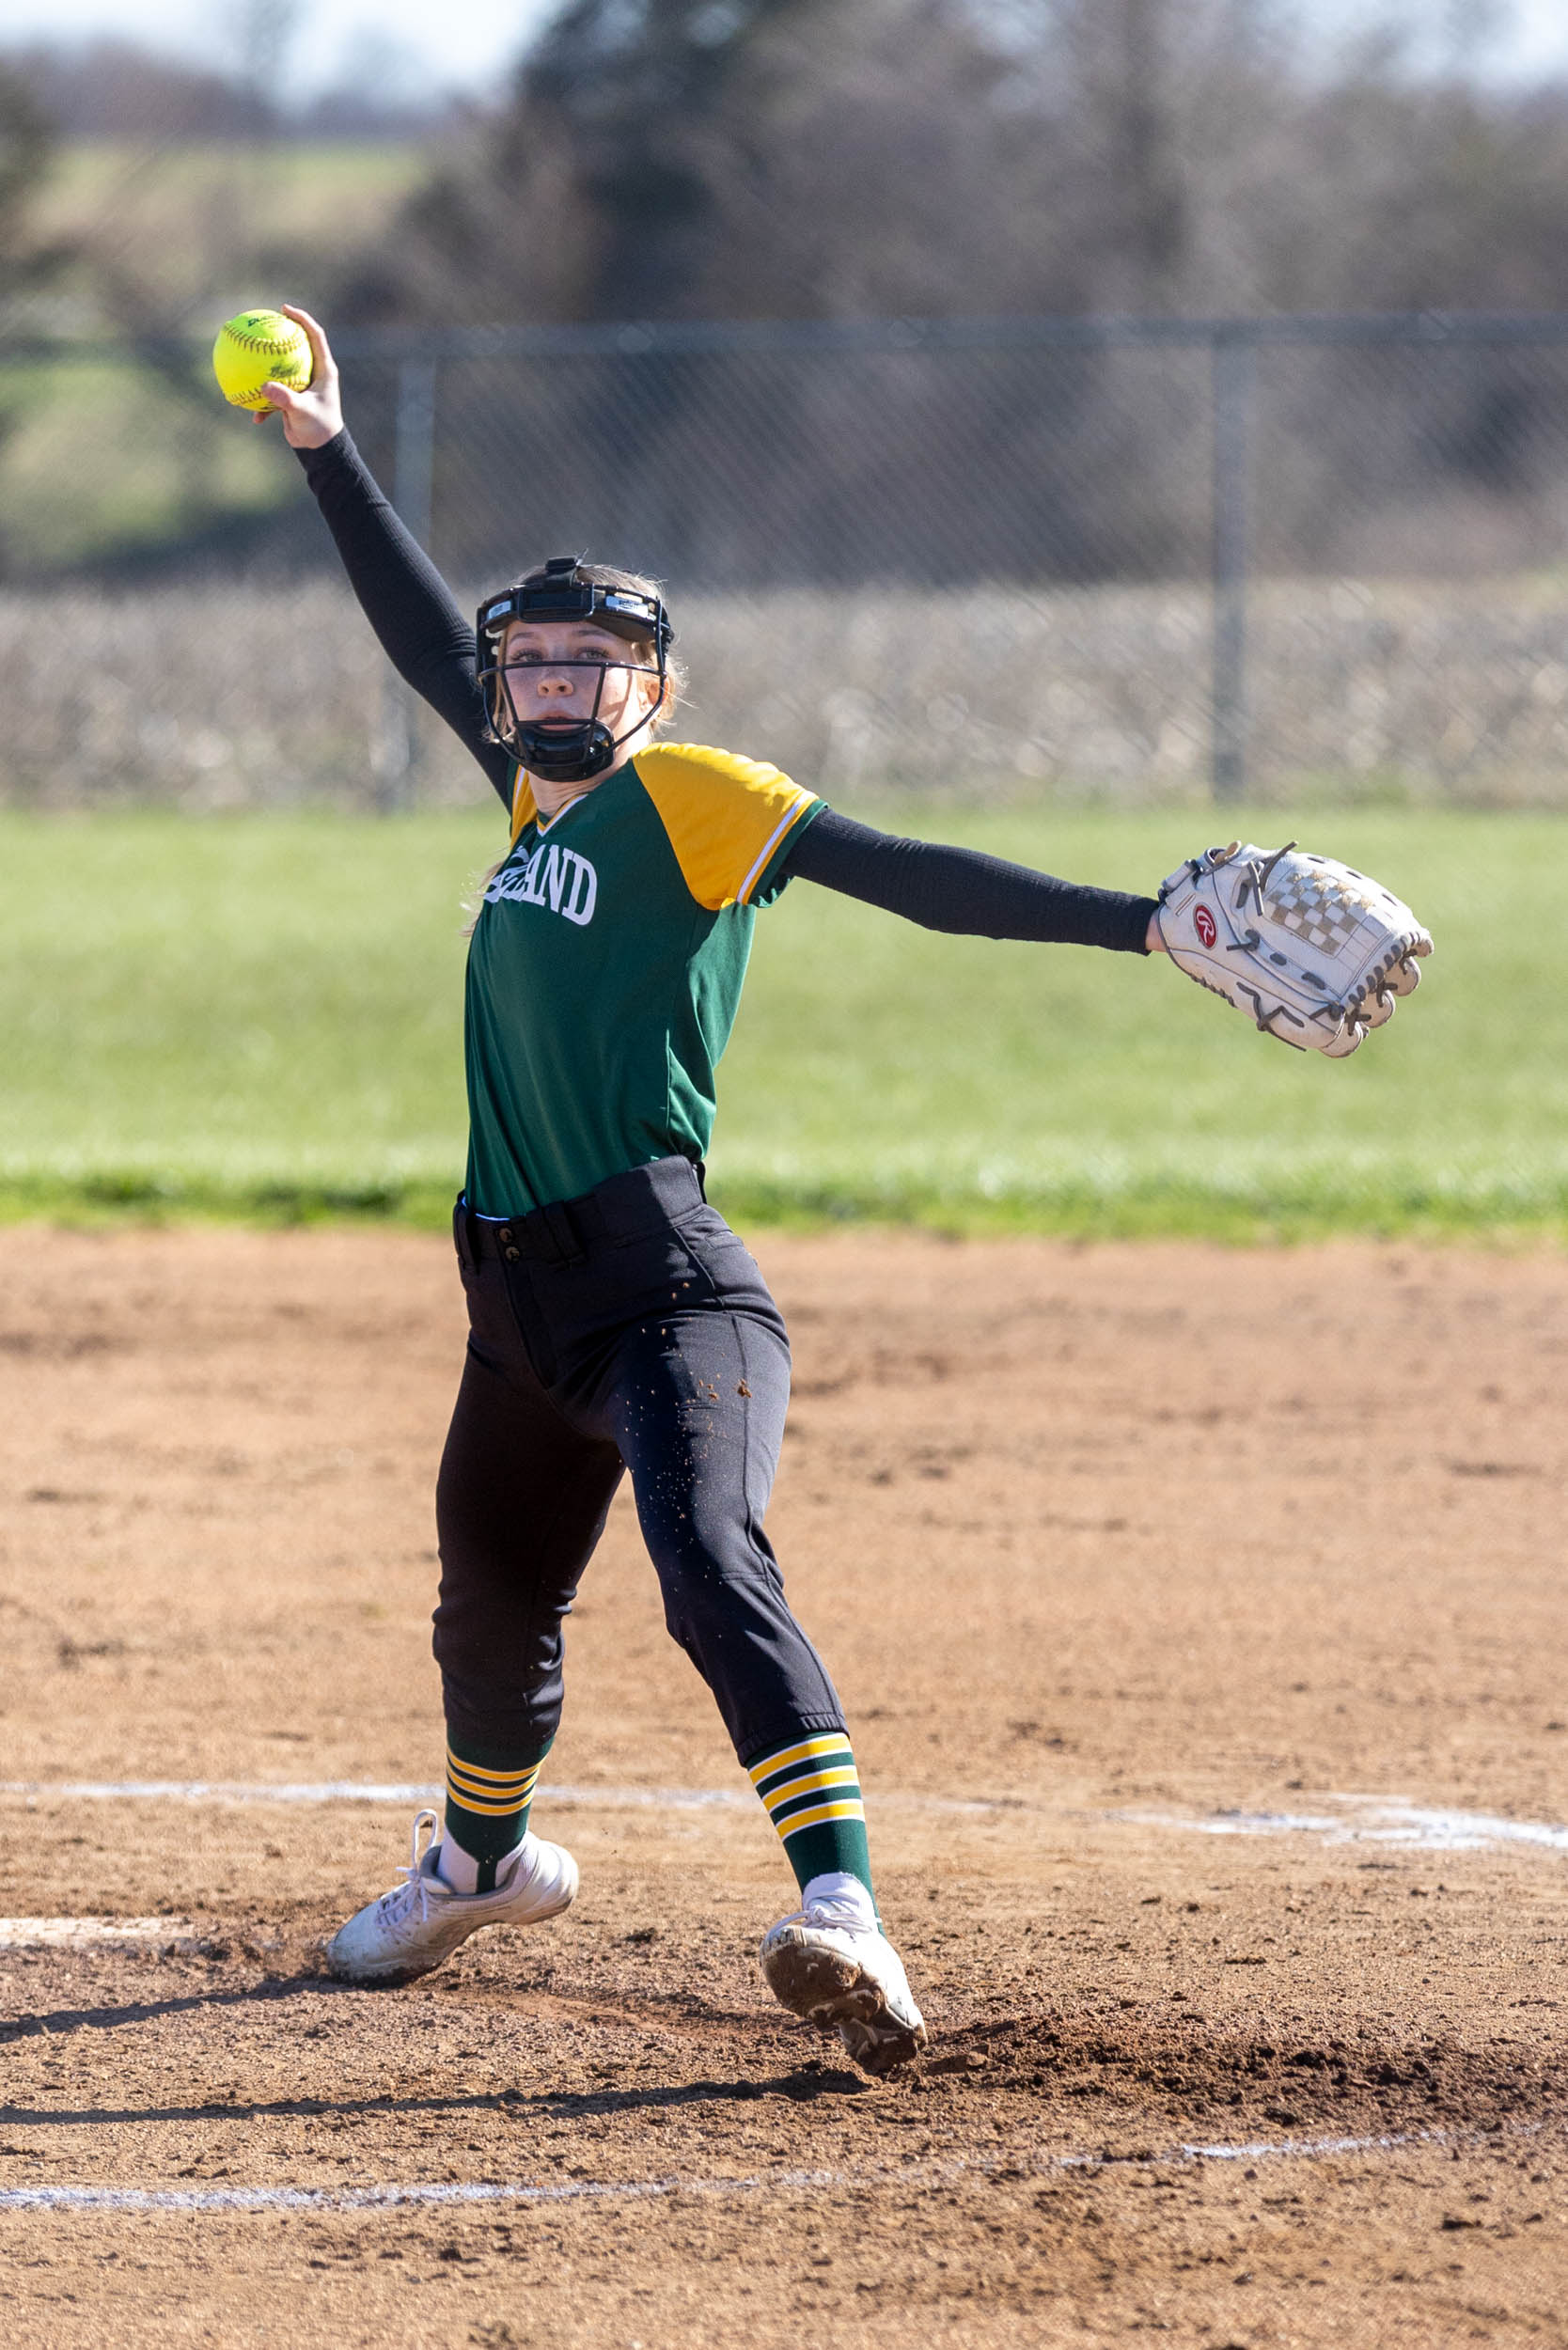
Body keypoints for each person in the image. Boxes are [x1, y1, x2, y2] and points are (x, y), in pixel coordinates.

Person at [262, 306, 1167, 2076]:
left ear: (652, 688)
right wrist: (323, 450)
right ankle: (483, 1864)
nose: (545, 684)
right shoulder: (534, 806)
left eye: (588, 662)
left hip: (666, 1287)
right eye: (527, 661)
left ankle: (845, 1913)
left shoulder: (690, 796)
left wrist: (1142, 921)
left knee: (705, 1561)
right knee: (489, 1598)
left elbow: (909, 878)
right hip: (515, 1302)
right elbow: (413, 640)